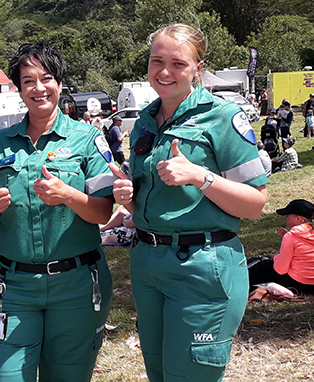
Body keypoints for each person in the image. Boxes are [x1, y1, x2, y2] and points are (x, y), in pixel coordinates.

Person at [110, 23, 268, 382]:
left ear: (198, 69)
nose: (165, 72)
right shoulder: (145, 121)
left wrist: (201, 176)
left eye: (178, 63)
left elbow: (255, 205)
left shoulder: (223, 117)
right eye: (157, 61)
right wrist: (130, 200)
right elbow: (160, 202)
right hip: (147, 263)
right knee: (160, 373)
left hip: (202, 266)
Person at [0, 41, 115, 381]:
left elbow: (103, 213)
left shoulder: (87, 138)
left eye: (46, 78)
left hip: (77, 285)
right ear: (18, 89)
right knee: (6, 374)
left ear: (60, 83)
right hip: (13, 286)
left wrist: (69, 196)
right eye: (28, 81)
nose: (39, 88)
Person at [247, 199, 314, 294]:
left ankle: (242, 288)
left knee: (261, 265)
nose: (286, 216)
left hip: (299, 283)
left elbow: (280, 269)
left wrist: (275, 258)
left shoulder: (291, 236)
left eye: (288, 215)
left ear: (298, 218)